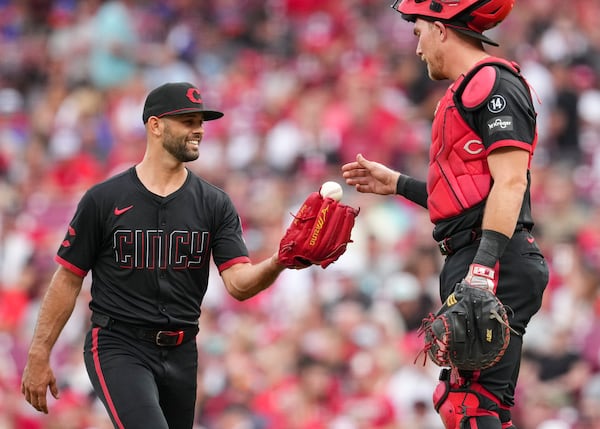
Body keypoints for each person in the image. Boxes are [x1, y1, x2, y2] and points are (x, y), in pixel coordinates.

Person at [20, 82, 300, 429]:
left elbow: (239, 284)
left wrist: (280, 261)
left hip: (182, 349)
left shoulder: (214, 203)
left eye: (200, 121)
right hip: (119, 344)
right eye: (187, 120)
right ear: (155, 125)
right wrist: (39, 351)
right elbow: (68, 277)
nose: (198, 129)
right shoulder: (104, 199)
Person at [342, 1, 549, 428]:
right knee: (480, 403)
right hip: (477, 254)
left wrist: (483, 268)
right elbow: (468, 196)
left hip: (493, 259)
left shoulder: (492, 83)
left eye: (418, 32)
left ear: (440, 29)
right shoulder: (468, 88)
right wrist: (398, 184)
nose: (417, 48)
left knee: (467, 404)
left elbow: (511, 183)